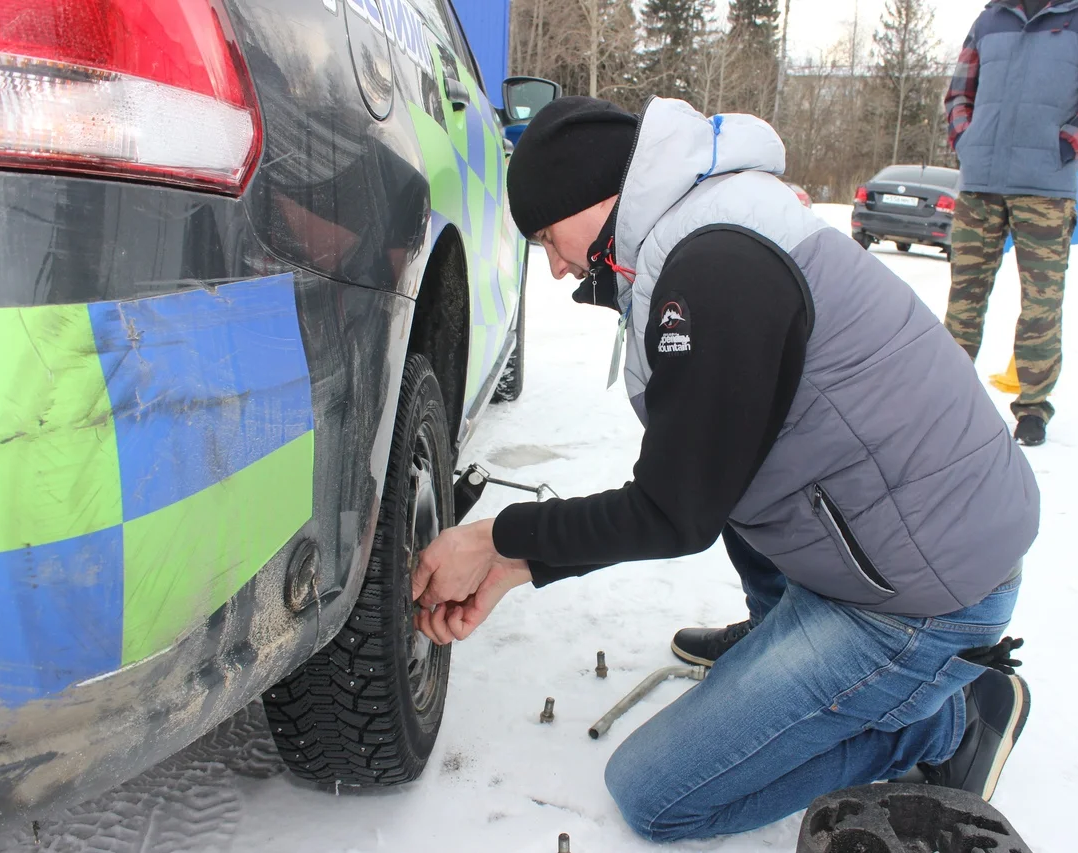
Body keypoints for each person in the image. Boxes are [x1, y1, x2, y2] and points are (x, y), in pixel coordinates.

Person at [411, 95, 1040, 842]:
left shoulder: (713, 269)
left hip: (922, 599)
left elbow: (674, 512)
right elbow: (704, 467)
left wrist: (496, 540)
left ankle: (947, 724)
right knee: (723, 448)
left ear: (594, 195)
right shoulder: (698, 227)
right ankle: (785, 646)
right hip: (898, 540)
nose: (554, 267)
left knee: (655, 793)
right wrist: (517, 566)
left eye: (548, 237)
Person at [944, 0, 1078, 447]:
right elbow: (959, 94)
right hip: (981, 182)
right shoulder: (991, 18)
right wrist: (966, 140)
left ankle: (1033, 408)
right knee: (963, 301)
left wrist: (1060, 147)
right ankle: (945, 395)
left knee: (1041, 304)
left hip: (1046, 188)